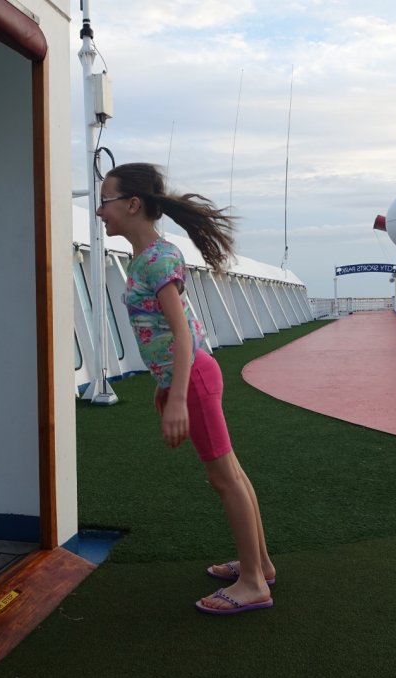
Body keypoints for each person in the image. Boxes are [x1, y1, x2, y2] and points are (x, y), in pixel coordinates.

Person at [96, 163, 274, 615]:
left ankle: (253, 583)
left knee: (223, 478)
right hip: (187, 375)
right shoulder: (149, 257)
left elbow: (182, 334)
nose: (99, 211)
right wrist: (164, 385)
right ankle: (262, 566)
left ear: (132, 204)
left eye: (105, 201)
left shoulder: (157, 258)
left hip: (192, 375)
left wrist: (177, 396)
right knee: (232, 473)